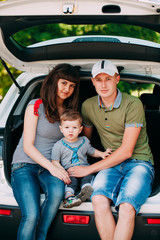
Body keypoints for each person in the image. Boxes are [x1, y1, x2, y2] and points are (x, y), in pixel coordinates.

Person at [67, 60, 154, 240]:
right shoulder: (88, 106)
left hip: (139, 163)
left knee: (126, 205)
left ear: (117, 79)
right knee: (98, 200)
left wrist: (89, 169)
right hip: (110, 164)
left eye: (108, 78)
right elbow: (86, 142)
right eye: (99, 80)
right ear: (92, 82)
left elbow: (127, 151)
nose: (104, 84)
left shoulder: (133, 104)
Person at [11, 63, 80, 240]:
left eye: (72, 86)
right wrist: (53, 168)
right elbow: (28, 146)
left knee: (57, 193)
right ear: (54, 81)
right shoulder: (36, 105)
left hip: (51, 167)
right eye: (64, 83)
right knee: (31, 215)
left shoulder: (69, 114)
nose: (67, 89)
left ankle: (40, 236)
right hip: (24, 165)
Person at [51, 109, 112, 208]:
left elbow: (92, 151)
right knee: (71, 182)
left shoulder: (84, 141)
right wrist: (63, 172)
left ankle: (86, 191)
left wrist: (102, 154)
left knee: (88, 178)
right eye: (67, 127)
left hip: (85, 169)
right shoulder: (58, 145)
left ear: (80, 129)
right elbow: (55, 162)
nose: (70, 130)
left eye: (74, 127)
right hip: (70, 172)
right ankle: (70, 197)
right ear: (61, 129)